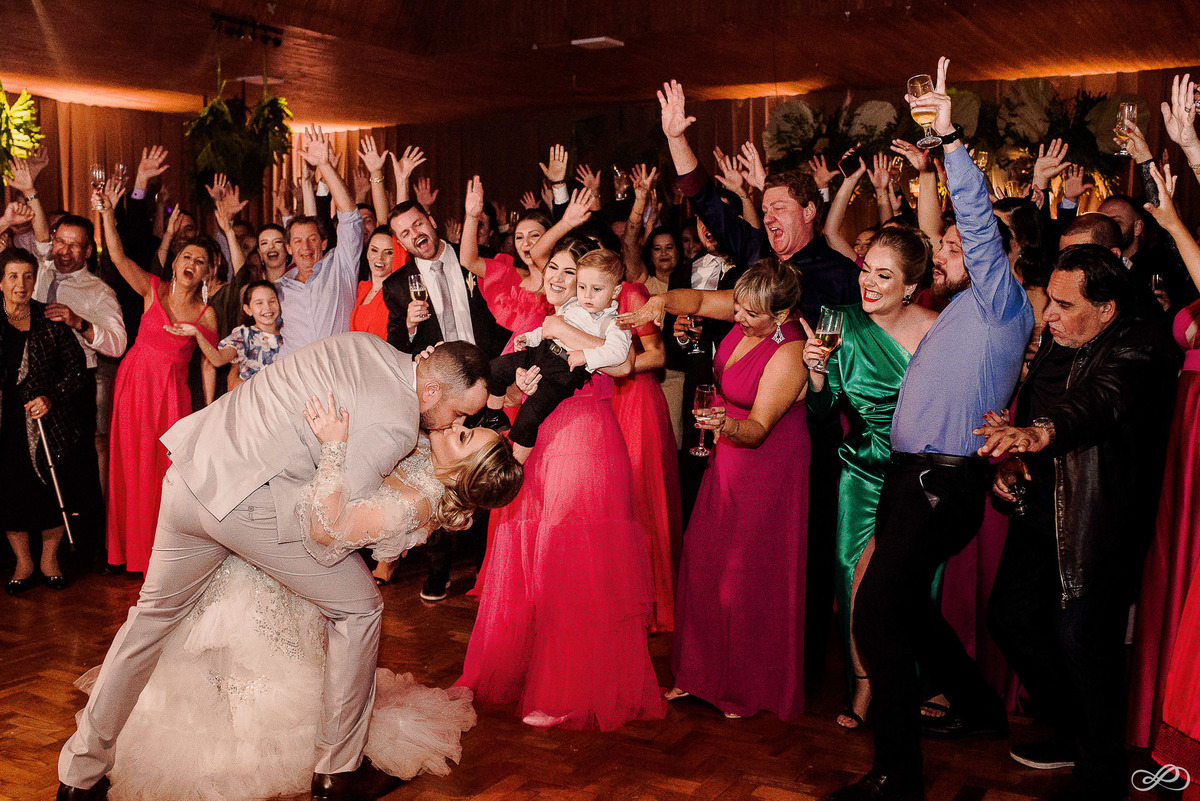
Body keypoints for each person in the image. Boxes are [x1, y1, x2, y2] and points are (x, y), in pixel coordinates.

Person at [56, 335, 492, 801]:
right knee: (360, 609)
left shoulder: (366, 344)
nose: (457, 422)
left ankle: (79, 776)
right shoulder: (398, 423)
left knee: (148, 622)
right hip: (244, 507)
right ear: (430, 393)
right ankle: (337, 773)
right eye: (459, 413)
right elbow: (330, 528)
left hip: (191, 472)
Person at [828, 59, 1032, 801]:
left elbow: (974, 225)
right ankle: (977, 708)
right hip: (914, 478)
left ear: (1002, 257)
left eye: (957, 246)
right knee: (908, 606)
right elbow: (933, 241)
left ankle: (897, 772)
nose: (944, 248)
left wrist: (947, 138)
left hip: (940, 482)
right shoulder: (963, 311)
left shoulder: (1001, 303)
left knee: (879, 610)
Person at [659, 79, 860, 675]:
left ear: (809, 212)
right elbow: (706, 202)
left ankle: (796, 662)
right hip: (745, 427)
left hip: (815, 429)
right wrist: (676, 139)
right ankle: (731, 655)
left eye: (781, 209)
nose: (769, 217)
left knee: (803, 549)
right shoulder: (757, 258)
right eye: (764, 207)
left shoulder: (840, 274)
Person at [978, 244, 1177, 800]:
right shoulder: (1066, 335)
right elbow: (1043, 397)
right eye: (1051, 304)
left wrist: (1039, 433)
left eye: (1064, 306)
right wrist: (1019, 458)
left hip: (1097, 517)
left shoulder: (1142, 343)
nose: (1049, 317)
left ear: (1106, 308)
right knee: (1011, 618)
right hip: (1041, 504)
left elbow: (1099, 402)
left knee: (1082, 640)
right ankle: (1071, 729)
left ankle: (1100, 772)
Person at [455, 237, 665, 732]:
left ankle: (571, 688)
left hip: (584, 442)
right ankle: (515, 669)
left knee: (569, 563)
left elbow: (624, 364)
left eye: (570, 273)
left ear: (594, 285)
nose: (556, 277)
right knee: (528, 561)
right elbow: (503, 391)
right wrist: (516, 387)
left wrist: (562, 327)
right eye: (554, 267)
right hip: (536, 445)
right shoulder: (535, 325)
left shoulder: (590, 320)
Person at [618, 257, 810, 722]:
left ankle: (743, 686)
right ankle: (698, 674)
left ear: (779, 316)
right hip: (727, 456)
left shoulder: (790, 352)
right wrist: (659, 304)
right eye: (738, 308)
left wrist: (726, 425)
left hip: (767, 465)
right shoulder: (750, 310)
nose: (738, 317)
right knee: (704, 561)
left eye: (748, 314)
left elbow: (761, 427)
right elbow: (701, 300)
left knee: (745, 575)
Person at [802, 227, 938, 729]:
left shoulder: (935, 330)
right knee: (849, 574)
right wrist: (817, 375)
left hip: (919, 472)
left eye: (885, 275)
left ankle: (916, 680)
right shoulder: (838, 322)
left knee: (910, 583)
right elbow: (823, 411)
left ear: (910, 287)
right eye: (866, 271)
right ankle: (861, 685)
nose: (870, 283)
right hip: (860, 467)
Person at [384, 192, 509, 601]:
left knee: (484, 476)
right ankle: (438, 569)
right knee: (437, 476)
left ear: (432, 220)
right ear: (400, 243)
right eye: (404, 234)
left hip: (489, 384)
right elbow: (395, 345)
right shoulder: (399, 286)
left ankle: (484, 567)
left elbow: (506, 316)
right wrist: (408, 326)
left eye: (418, 224)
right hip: (441, 398)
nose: (414, 235)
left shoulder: (475, 257)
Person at [94, 182, 219, 576]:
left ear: (207, 272)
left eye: (200, 261)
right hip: (132, 389)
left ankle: (162, 556)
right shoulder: (152, 289)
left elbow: (208, 364)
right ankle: (130, 554)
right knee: (131, 468)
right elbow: (116, 255)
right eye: (187, 256)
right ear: (176, 260)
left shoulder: (206, 314)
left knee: (164, 475)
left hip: (170, 398)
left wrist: (211, 412)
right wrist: (107, 212)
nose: (192, 263)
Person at [486, 248, 631, 459]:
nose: (588, 294)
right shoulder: (572, 306)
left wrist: (586, 356)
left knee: (529, 416)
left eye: (596, 289)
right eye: (583, 287)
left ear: (615, 291)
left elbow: (621, 358)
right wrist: (530, 339)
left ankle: (514, 464)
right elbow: (548, 328)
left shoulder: (615, 322)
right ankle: (492, 418)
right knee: (495, 367)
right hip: (541, 353)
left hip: (566, 378)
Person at [0, 248, 88, 593]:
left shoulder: (50, 320)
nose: (21, 284)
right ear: (1, 282)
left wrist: (51, 397)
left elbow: (77, 370)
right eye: (12, 276)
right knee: (9, 492)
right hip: (6, 425)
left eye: (27, 276)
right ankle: (23, 562)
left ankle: (50, 559)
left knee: (52, 491)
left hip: (47, 422)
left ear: (35, 280)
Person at [274, 126, 364, 358]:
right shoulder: (278, 289)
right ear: (288, 247)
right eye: (298, 241)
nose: (306, 247)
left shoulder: (341, 266)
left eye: (313, 239)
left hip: (339, 374)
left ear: (324, 243)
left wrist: (325, 166)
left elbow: (351, 217)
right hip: (297, 382)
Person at [172, 280, 283, 383]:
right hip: (252, 400)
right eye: (259, 303)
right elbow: (218, 359)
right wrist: (197, 334)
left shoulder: (287, 335)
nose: (267, 307)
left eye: (272, 301)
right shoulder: (244, 335)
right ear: (248, 309)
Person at [350, 228, 397, 340]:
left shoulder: (397, 293)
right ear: (367, 253)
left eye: (388, 252)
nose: (380, 257)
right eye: (374, 250)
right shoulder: (363, 288)